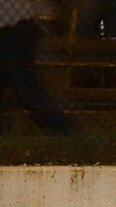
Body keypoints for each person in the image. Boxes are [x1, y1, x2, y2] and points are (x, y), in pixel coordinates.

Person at [0, 0, 75, 133]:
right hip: (15, 28)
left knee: (25, 83)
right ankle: (62, 127)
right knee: (23, 82)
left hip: (13, 31)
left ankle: (62, 127)